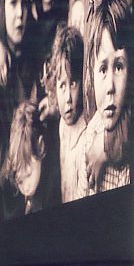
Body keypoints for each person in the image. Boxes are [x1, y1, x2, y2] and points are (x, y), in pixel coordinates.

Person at [79, 0, 133, 192]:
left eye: (119, 67)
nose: (110, 86)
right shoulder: (89, 136)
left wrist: (106, 146)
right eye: (102, 69)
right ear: (91, 74)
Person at [41, 22, 93, 203]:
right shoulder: (62, 124)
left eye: (73, 83)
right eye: (62, 85)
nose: (68, 97)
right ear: (54, 87)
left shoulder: (87, 139)